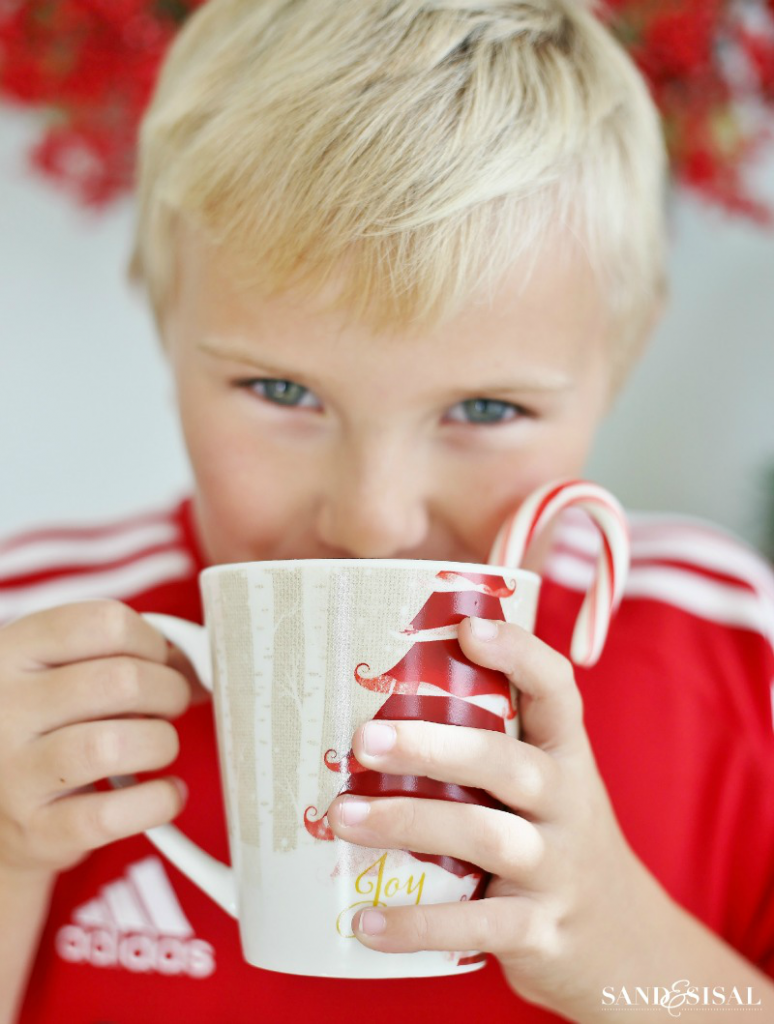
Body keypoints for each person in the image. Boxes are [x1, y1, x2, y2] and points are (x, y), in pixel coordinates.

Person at [1, 0, 773, 1021]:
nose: (371, 520)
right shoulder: (29, 643)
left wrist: (616, 945)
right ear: (163, 321)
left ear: (617, 365)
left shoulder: (729, 657)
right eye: (282, 393)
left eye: (487, 409)